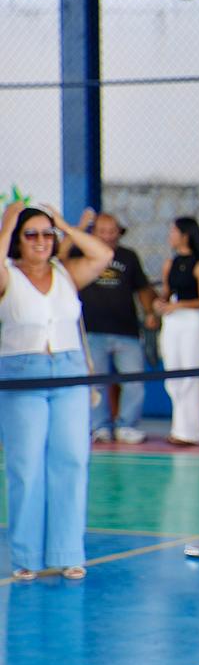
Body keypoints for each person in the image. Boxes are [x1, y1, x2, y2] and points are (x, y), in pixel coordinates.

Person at [0, 203, 112, 581]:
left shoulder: (66, 272)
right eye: (31, 234)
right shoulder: (8, 275)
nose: (41, 241)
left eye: (48, 234)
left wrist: (64, 224)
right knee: (26, 466)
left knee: (72, 460)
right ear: (18, 239)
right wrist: (8, 223)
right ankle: (27, 556)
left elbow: (103, 254)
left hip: (69, 373)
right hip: (23, 376)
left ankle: (68, 552)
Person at [73, 211, 157, 445]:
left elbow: (142, 288)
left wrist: (150, 313)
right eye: (103, 231)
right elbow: (61, 254)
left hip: (126, 330)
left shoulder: (128, 256)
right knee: (96, 382)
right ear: (93, 233)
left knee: (134, 381)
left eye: (113, 231)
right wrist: (78, 227)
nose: (108, 236)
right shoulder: (80, 253)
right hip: (93, 330)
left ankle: (126, 426)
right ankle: (99, 427)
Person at [155, 217, 199, 447]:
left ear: (185, 235)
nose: (171, 236)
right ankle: (178, 427)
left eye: (174, 231)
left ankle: (191, 430)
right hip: (172, 322)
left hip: (192, 321)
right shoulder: (170, 263)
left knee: (191, 373)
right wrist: (160, 304)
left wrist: (179, 306)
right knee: (173, 372)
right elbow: (167, 293)